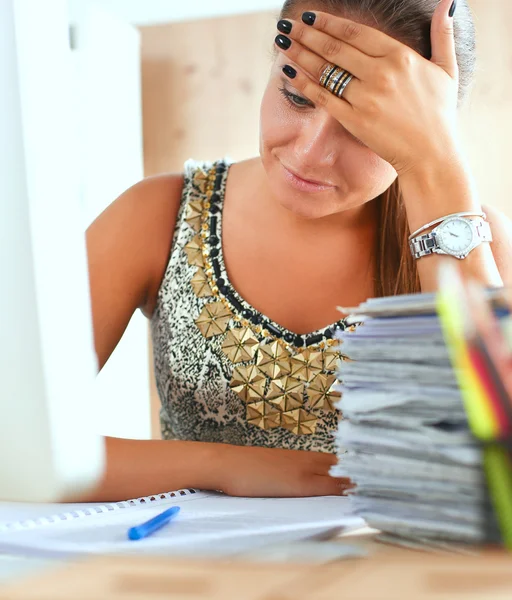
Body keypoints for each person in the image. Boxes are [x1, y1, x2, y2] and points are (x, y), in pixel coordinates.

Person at [84, 0, 512, 501]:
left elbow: (502, 468)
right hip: (196, 573)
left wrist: (438, 168)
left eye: (363, 126)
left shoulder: (475, 248)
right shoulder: (159, 215)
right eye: (297, 97)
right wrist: (224, 465)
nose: (310, 153)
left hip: (392, 576)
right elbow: (17, 443)